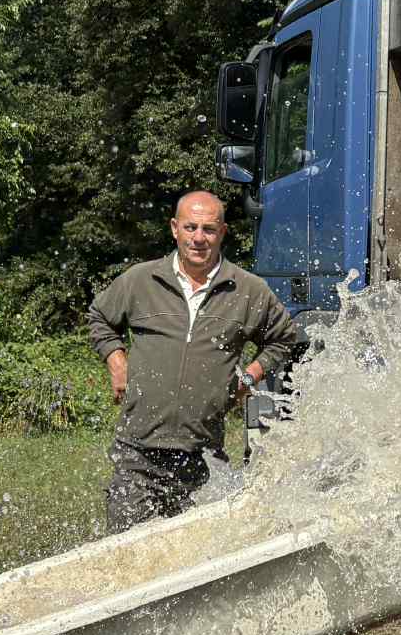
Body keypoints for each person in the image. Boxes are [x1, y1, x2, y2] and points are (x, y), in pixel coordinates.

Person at [87, 191, 301, 532]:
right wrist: (116, 361)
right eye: (190, 227)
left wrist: (250, 376)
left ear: (222, 233)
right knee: (125, 550)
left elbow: (285, 337)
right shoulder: (141, 280)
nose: (198, 238)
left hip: (202, 455)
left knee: (198, 550)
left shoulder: (247, 290)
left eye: (208, 229)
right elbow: (99, 317)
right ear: (175, 228)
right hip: (137, 450)